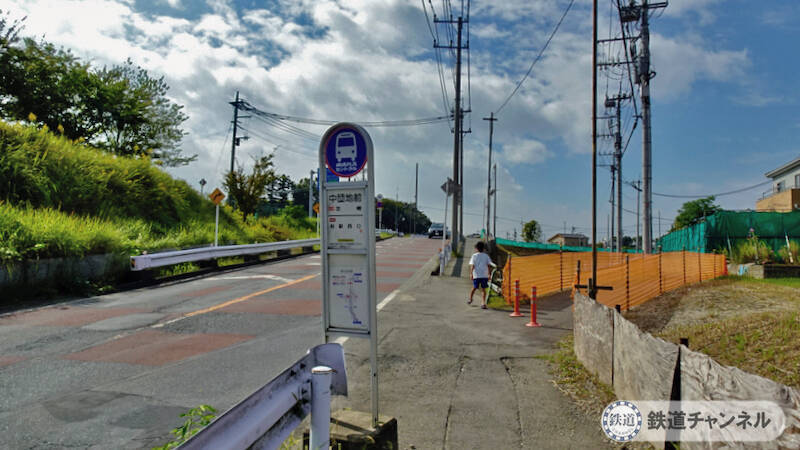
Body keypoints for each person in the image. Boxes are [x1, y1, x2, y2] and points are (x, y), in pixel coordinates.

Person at [468, 241, 495, 309]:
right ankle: (483, 303)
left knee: (474, 287)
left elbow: (472, 266)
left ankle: (470, 299)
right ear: (483, 249)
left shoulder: (474, 256)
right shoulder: (486, 256)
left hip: (476, 275)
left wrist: (471, 274)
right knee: (483, 289)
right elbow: (489, 265)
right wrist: (489, 274)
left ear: (476, 248)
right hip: (484, 275)